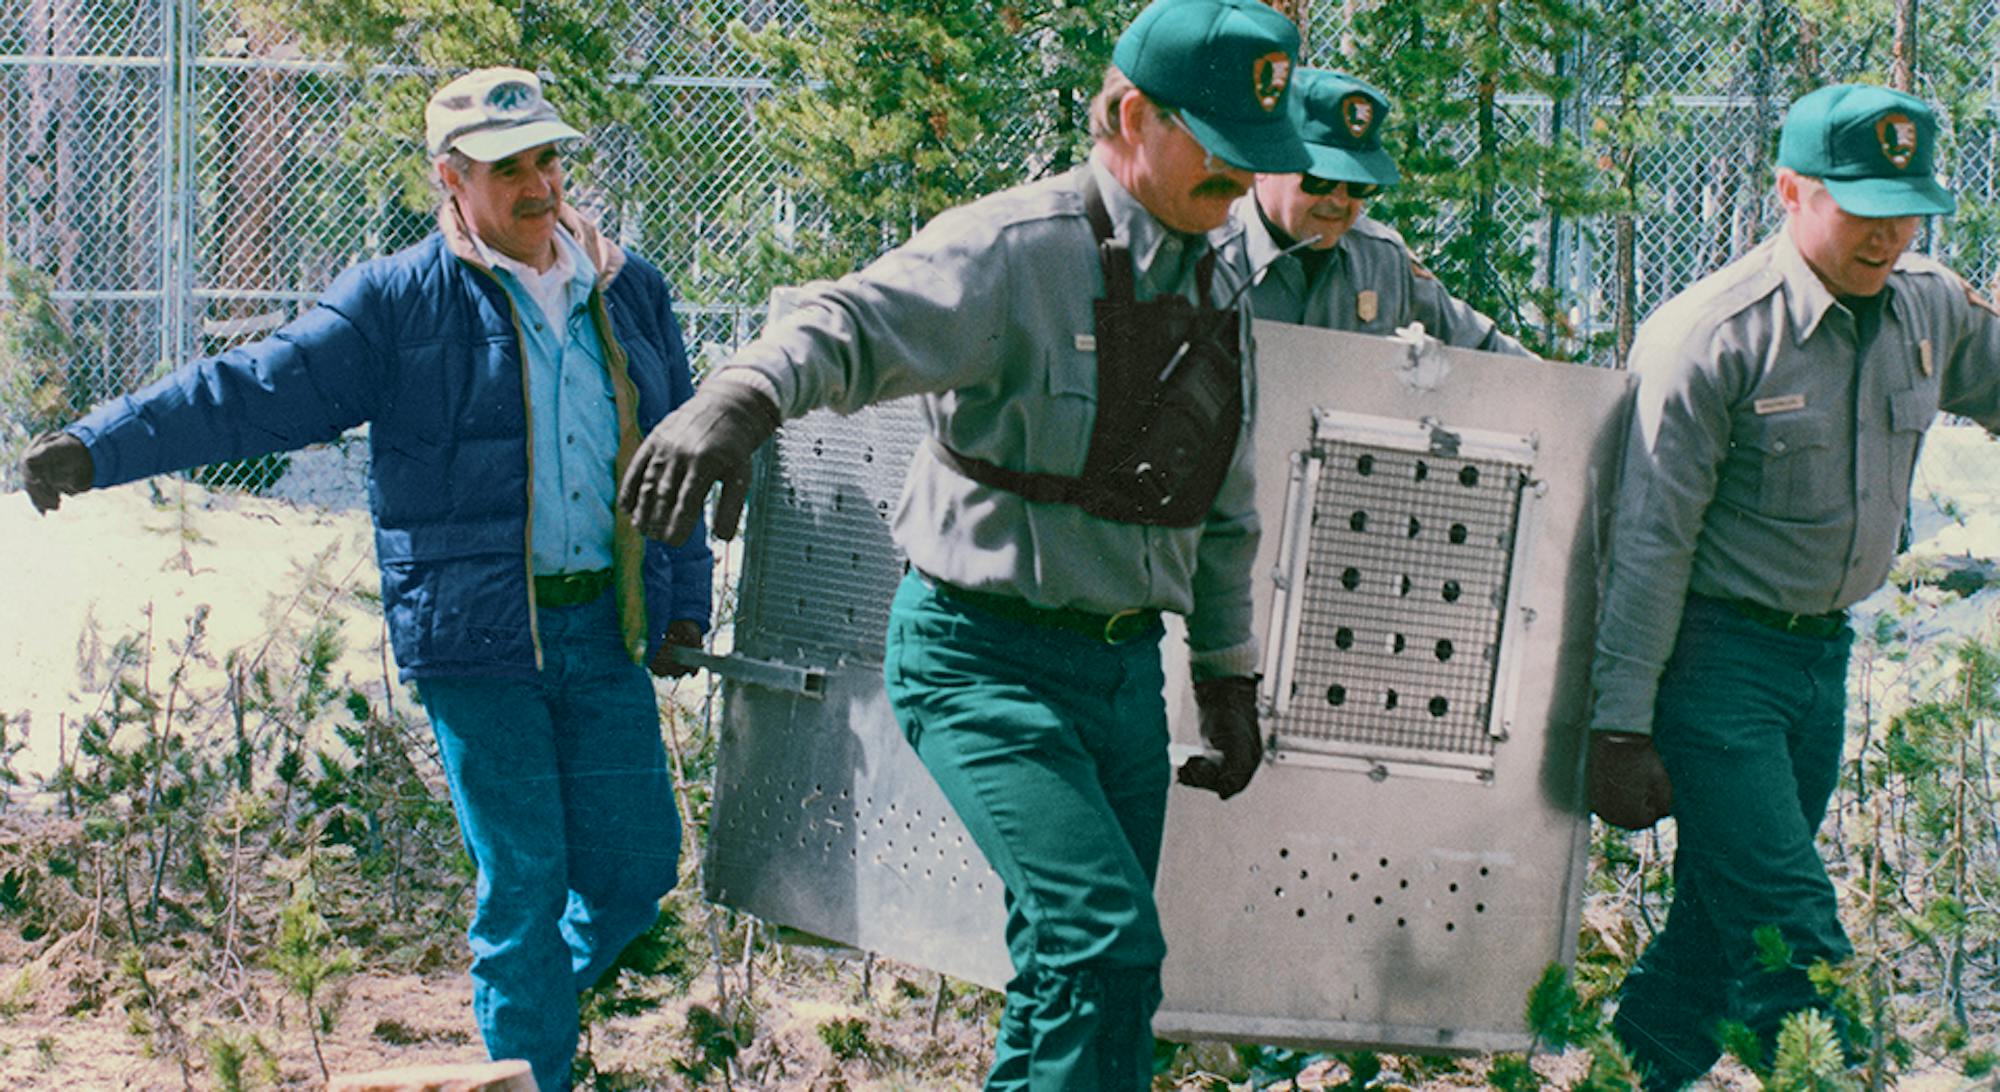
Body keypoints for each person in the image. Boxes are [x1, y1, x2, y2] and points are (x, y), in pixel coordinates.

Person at [616, 1, 1309, 1085]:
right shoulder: (1011, 250)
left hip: (1124, 670)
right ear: (1130, 114)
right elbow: (849, 323)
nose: (1235, 180)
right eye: (1216, 149)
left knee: (1082, 974)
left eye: (1249, 157)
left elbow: (1220, 499)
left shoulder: (1215, 277)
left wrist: (1224, 674)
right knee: (1102, 946)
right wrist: (744, 396)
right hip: (981, 660)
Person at [20, 66, 712, 1092]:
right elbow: (248, 392)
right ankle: (531, 1064)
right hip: (478, 640)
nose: (537, 187)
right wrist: (98, 444)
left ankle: (520, 1041)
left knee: (632, 872)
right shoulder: (396, 303)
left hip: (601, 630)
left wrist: (682, 603)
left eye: (546, 159)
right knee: (523, 885)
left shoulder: (627, 288)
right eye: (504, 168)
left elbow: (677, 455)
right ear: (450, 178)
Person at [1586, 82, 2000, 1090]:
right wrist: (1617, 725)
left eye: (1907, 209)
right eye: (1861, 208)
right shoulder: (1710, 337)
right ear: (1789, 191)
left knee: (1708, 942)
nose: (1890, 233)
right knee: (1791, 941)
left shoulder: (1928, 309)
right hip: (1712, 671)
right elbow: (1644, 545)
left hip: (1820, 662)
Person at [1228, 67, 1532, 355]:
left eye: (1359, 187)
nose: (1339, 201)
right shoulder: (1213, 256)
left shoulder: (1381, 261)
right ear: (1265, 163)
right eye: (1320, 181)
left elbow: (1485, 347)